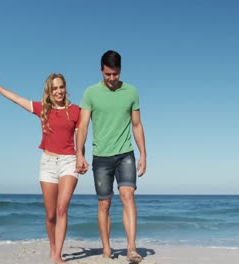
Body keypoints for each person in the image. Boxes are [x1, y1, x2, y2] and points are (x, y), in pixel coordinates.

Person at [0, 67, 80, 264]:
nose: (59, 91)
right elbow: (17, 99)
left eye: (61, 87)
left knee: (62, 209)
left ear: (66, 88)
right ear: (49, 90)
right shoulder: (43, 109)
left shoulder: (75, 111)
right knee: (50, 214)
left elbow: (82, 136)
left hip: (68, 163)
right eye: (55, 88)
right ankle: (53, 248)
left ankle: (57, 256)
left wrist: (81, 157)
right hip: (47, 163)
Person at [75, 50, 147, 263]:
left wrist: (143, 153)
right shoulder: (90, 93)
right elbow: (83, 125)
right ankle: (106, 249)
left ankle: (131, 249)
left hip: (126, 153)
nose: (112, 79)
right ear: (101, 70)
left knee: (128, 196)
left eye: (115, 74)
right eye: (108, 74)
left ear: (120, 71)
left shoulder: (131, 92)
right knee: (104, 205)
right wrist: (79, 154)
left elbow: (136, 124)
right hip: (101, 156)